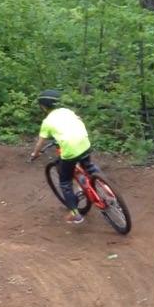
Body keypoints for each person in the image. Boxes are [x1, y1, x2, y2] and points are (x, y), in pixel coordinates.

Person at [30, 89, 95, 225]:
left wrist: (35, 153)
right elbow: (78, 121)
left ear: (43, 106)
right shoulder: (67, 111)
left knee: (65, 182)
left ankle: (75, 214)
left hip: (70, 151)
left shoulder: (47, 122)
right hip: (85, 143)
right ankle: (95, 181)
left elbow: (40, 142)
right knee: (87, 167)